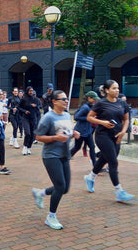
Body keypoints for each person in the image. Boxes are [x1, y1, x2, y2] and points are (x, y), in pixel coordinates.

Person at [31, 90, 80, 230]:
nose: (66, 101)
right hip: (51, 155)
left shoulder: (66, 115)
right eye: (63, 99)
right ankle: (51, 217)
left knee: (65, 189)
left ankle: (40, 193)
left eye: (67, 99)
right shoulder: (48, 117)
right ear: (54, 101)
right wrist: (55, 138)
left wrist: (73, 134)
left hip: (64, 154)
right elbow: (39, 137)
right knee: (59, 186)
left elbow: (66, 132)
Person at [83, 80, 135, 202]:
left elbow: (126, 119)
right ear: (106, 90)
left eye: (117, 88)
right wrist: (103, 122)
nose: (117, 90)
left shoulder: (122, 103)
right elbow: (89, 117)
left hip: (117, 135)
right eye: (114, 88)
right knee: (113, 162)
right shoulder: (101, 103)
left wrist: (123, 132)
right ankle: (119, 191)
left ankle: (90, 177)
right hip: (102, 135)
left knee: (104, 159)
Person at [70, 91, 99, 166]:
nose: (95, 100)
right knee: (77, 147)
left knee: (92, 147)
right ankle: (66, 156)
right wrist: (88, 118)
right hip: (80, 131)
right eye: (94, 99)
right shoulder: (85, 107)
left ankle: (95, 166)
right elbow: (76, 117)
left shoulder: (91, 106)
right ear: (89, 98)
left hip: (88, 131)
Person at [18, 86, 41, 155]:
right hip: (25, 118)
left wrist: (36, 106)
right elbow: (19, 107)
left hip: (33, 118)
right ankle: (24, 147)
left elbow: (40, 106)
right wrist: (25, 111)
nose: (31, 92)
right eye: (30, 91)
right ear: (27, 91)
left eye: (32, 91)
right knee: (27, 133)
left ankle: (28, 148)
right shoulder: (24, 99)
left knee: (32, 134)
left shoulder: (35, 99)